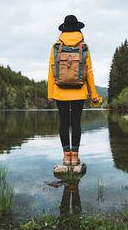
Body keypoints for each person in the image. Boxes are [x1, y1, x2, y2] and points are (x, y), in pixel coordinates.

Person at [48, 15, 99, 166]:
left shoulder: (56, 46)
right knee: (76, 122)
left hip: (60, 91)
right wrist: (93, 95)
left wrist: (50, 94)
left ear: (64, 29)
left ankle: (66, 157)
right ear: (78, 28)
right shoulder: (84, 46)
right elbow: (89, 71)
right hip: (79, 91)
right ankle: (75, 157)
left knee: (64, 122)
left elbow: (51, 70)